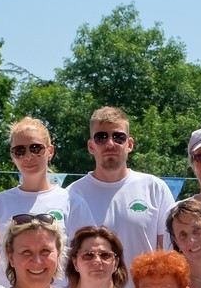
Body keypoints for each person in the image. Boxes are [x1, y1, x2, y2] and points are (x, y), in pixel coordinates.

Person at [64, 106, 175, 258]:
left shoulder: (155, 188)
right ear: (91, 146)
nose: (110, 144)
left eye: (119, 137)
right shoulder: (71, 195)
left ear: (130, 144)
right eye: (101, 137)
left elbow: (169, 253)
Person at [0, 118, 71, 284]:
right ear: (12, 156)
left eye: (36, 148)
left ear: (50, 151)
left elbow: (82, 260)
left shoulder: (70, 200)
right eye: (20, 151)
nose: (28, 156)